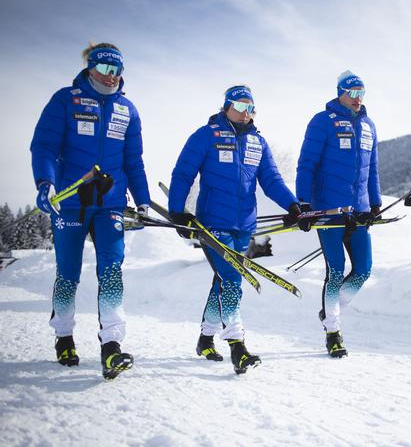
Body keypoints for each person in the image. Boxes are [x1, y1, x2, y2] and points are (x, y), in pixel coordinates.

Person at [30, 43, 151, 380]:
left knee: (112, 270)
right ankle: (64, 336)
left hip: (110, 203)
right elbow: (44, 146)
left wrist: (140, 201)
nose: (112, 77)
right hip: (70, 201)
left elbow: (134, 161)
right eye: (105, 69)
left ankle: (111, 346)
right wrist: (45, 183)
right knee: (68, 272)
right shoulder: (65, 99)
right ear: (90, 66)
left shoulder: (128, 110)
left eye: (118, 71)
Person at [168, 85, 303, 374]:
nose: (245, 113)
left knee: (223, 279)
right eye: (240, 106)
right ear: (226, 106)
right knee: (232, 279)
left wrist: (292, 205)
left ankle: (205, 339)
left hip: (244, 225)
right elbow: (183, 173)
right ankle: (237, 346)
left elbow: (272, 180)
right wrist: (177, 210)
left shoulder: (258, 142)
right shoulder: (206, 135)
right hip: (213, 223)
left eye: (250, 108)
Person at [295, 70, 382, 358]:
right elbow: (306, 164)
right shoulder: (323, 121)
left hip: (358, 210)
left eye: (362, 92)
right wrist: (305, 204)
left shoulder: (369, 125)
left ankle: (329, 309)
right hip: (328, 209)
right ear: (340, 92)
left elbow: (373, 170)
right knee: (335, 271)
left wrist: (375, 203)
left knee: (363, 270)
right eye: (353, 92)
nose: (358, 98)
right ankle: (333, 331)